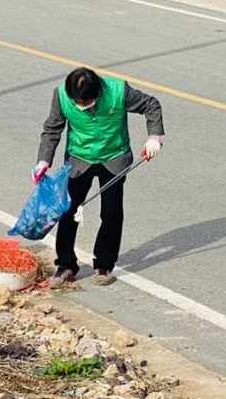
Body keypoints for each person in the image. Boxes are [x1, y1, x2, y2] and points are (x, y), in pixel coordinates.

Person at [34, 67, 165, 287]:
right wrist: (43, 160)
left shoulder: (117, 91)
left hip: (113, 158)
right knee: (68, 211)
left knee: (111, 213)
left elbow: (151, 105)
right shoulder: (61, 95)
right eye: (78, 103)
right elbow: (52, 128)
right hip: (79, 160)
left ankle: (104, 265)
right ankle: (66, 264)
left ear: (98, 93)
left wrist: (154, 137)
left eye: (86, 103)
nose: (82, 107)